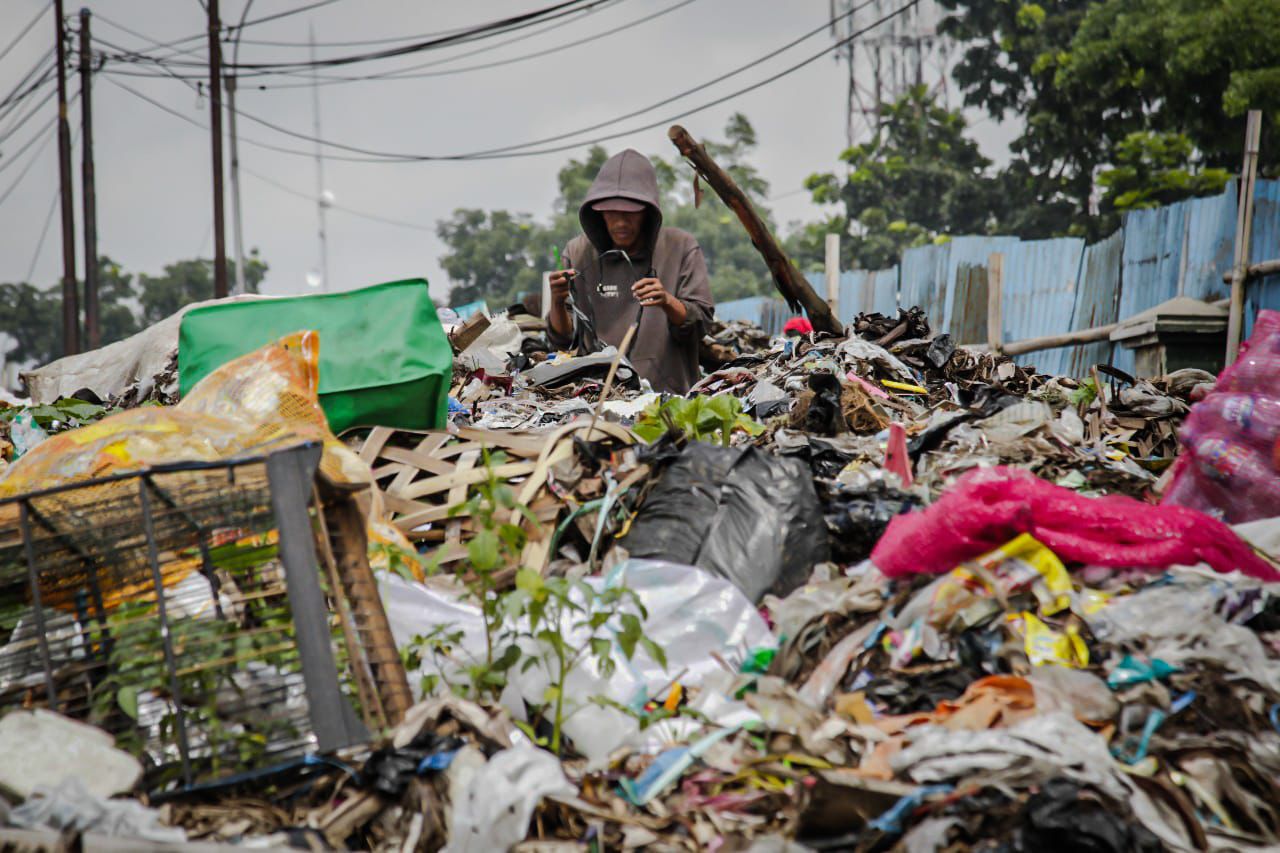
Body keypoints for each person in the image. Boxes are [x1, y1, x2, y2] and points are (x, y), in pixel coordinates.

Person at [545, 149, 713, 394]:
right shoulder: (578, 253)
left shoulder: (680, 247)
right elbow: (563, 341)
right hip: (598, 400)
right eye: (612, 213)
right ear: (598, 212)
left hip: (666, 401)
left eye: (630, 213)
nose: (621, 223)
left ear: (647, 211)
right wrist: (557, 302)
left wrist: (667, 301)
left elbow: (701, 325)